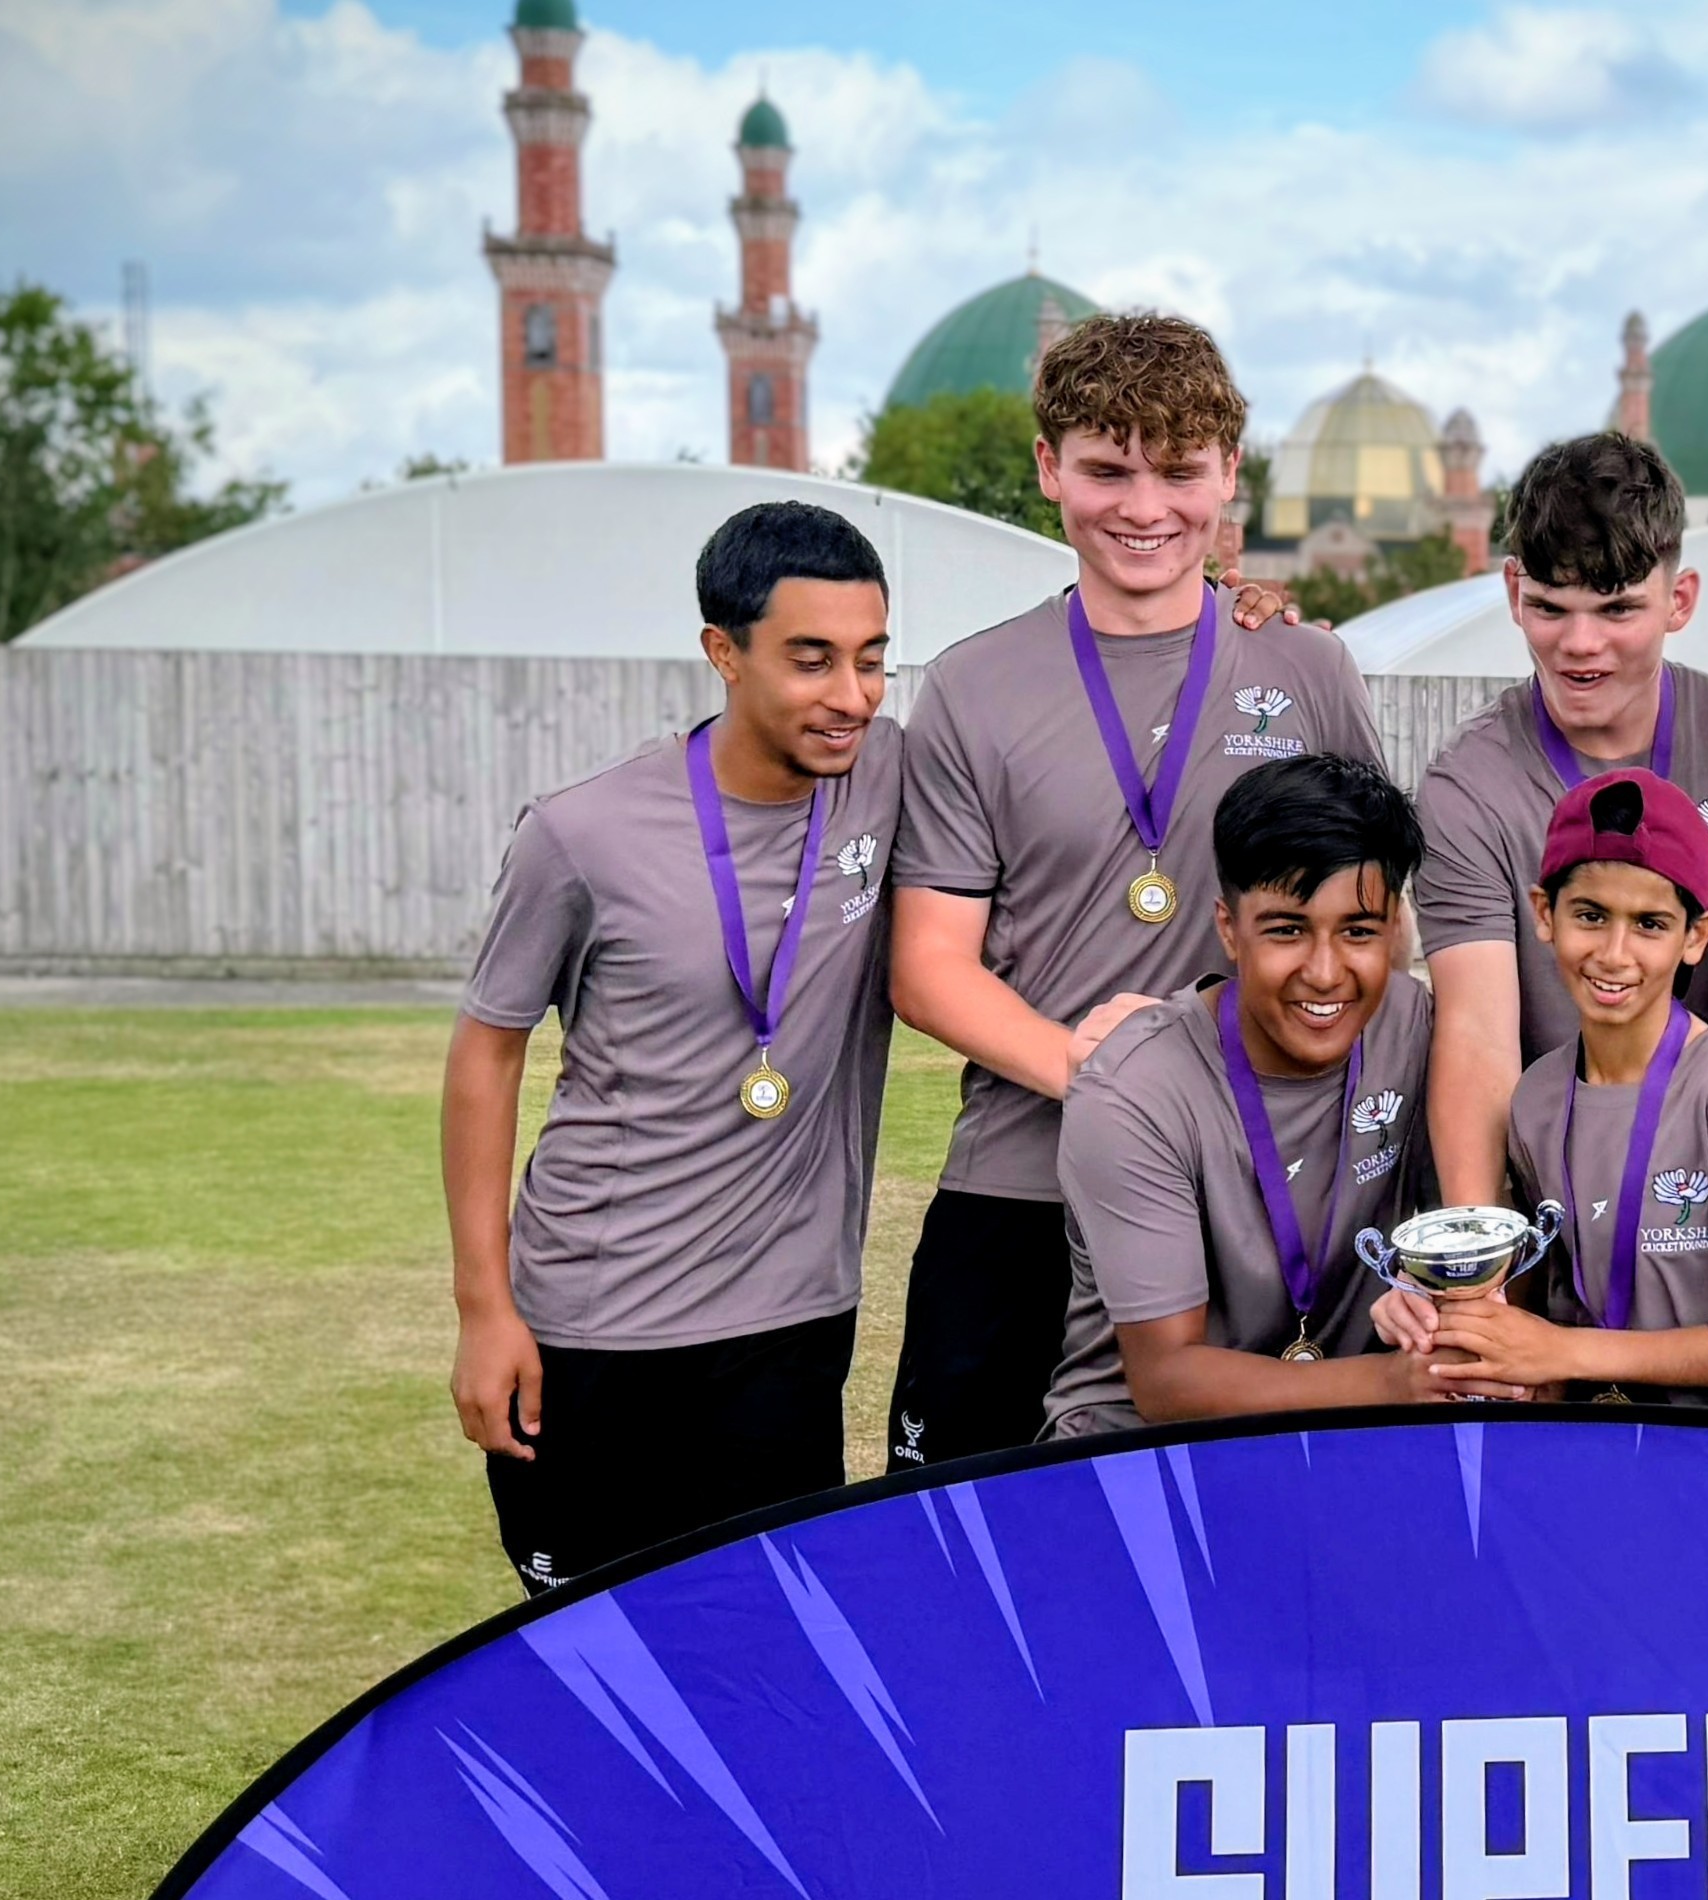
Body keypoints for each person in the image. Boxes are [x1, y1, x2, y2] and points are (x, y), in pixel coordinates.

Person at [886, 311, 1382, 1467]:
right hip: (1021, 1187)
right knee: (963, 1549)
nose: (1144, 506)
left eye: (1179, 471)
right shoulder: (972, 686)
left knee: (1235, 1553)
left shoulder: (1309, 670)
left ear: (1229, 475)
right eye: (1107, 469)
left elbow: (1372, 929)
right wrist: (1106, 1077)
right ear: (1049, 468)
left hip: (1257, 1190)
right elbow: (926, 964)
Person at [444, 500, 901, 1594]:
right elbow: (485, 1053)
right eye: (811, 659)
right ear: (723, 652)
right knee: (589, 1674)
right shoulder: (579, 833)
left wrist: (1234, 613)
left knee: (765, 1666)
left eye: (873, 660)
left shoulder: (890, 778)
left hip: (790, 1328)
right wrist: (483, 1309)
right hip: (596, 1333)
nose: (850, 697)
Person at [1415, 432, 1708, 1206]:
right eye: (1551, 609)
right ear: (1511, 591)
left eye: (1619, 608)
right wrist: (1482, 1250)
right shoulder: (1470, 783)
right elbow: (1477, 1035)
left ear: (1679, 599)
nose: (1580, 644)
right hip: (1553, 1188)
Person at [1379, 769, 1708, 1411]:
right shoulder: (1537, 1099)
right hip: (1592, 1453)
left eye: (1650, 923)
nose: (1615, 953)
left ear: (1696, 937)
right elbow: (1540, 1307)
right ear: (1545, 914)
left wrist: (1567, 1351)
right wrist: (1434, 1304)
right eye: (1591, 916)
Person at [1043, 753, 1472, 1433]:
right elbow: (1166, 1382)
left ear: (1394, 928)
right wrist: (1395, 1380)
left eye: (1357, 931)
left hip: (1350, 1432)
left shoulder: (1420, 1031)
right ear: (1227, 928)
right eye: (1286, 930)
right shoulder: (1135, 1092)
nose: (1325, 972)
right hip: (1144, 1451)